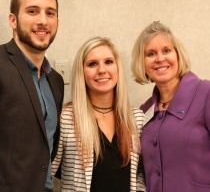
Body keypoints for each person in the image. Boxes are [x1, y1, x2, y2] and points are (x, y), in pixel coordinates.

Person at [131, 21, 210, 192]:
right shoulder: (144, 111)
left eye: (166, 50)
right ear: (142, 63)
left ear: (178, 55)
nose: (160, 59)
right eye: (150, 54)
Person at [52, 36, 146, 192]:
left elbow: (141, 173)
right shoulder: (66, 118)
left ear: (117, 67)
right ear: (81, 71)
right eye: (92, 64)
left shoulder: (136, 118)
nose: (102, 70)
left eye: (108, 62)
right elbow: (45, 172)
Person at [0, 0, 64, 192]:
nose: (43, 21)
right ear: (13, 20)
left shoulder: (55, 81)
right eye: (33, 11)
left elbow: (47, 148)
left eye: (50, 13)